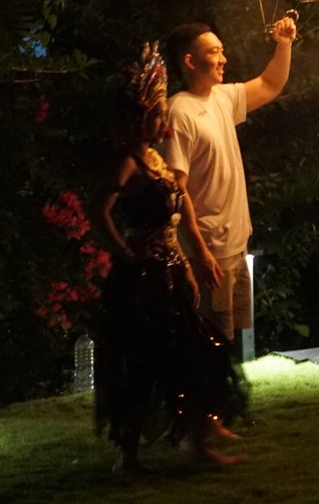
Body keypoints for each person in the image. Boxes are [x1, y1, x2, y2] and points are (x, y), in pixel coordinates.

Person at [93, 42, 249, 472]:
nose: (164, 118)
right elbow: (99, 210)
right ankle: (129, 455)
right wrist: (125, 251)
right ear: (144, 115)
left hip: (171, 273)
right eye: (158, 111)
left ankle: (195, 442)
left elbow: (181, 210)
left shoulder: (155, 159)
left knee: (197, 356)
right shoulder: (128, 163)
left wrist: (189, 261)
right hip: (143, 284)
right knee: (143, 363)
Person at [162, 15, 297, 342]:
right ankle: (204, 394)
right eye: (214, 52)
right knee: (210, 339)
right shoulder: (179, 112)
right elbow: (175, 191)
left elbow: (269, 85)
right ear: (190, 61)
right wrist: (200, 251)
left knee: (230, 338)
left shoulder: (221, 97)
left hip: (235, 244)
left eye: (222, 50)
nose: (223, 59)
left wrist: (284, 44)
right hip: (209, 250)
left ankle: (223, 393)